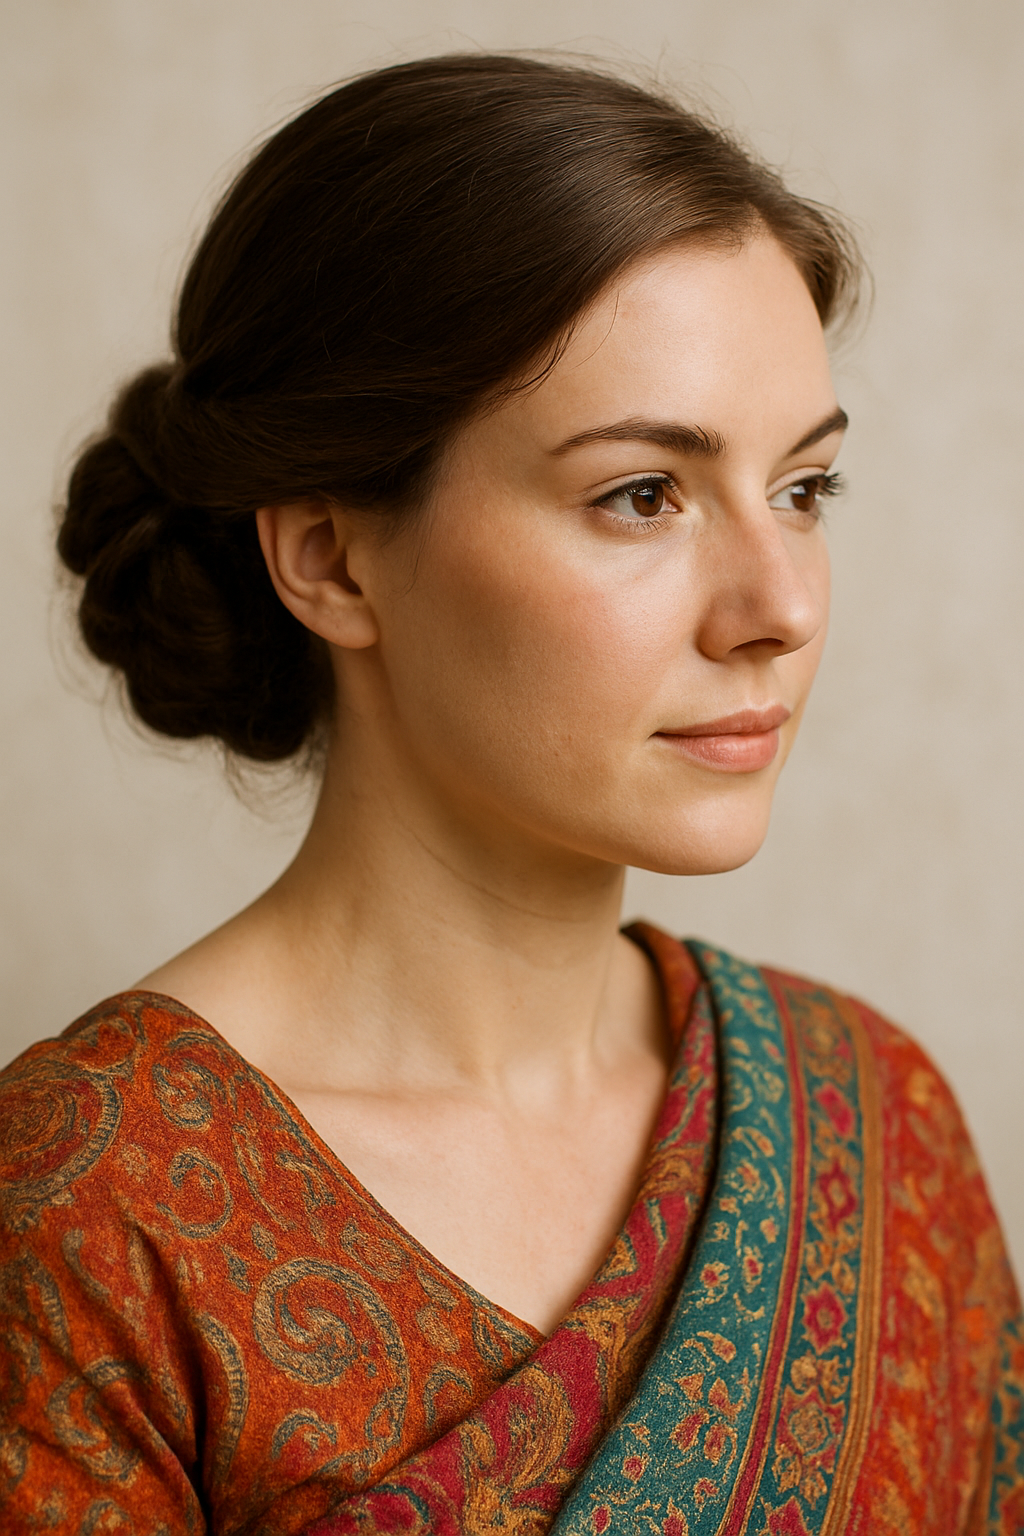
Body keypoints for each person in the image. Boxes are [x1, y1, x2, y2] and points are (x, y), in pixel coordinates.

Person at [0, 52, 1020, 1536]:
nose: (779, 604)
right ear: (334, 559)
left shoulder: (877, 1122)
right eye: (641, 496)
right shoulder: (93, 1213)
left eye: (804, 489)